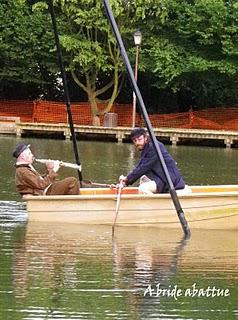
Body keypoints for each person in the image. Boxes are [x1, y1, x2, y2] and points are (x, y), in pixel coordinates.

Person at [118, 128, 186, 194]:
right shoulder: (147, 147)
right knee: (143, 179)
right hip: (162, 178)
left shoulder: (153, 147)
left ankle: (154, 203)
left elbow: (143, 168)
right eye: (135, 140)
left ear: (145, 137)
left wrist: (127, 180)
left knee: (143, 188)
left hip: (170, 181)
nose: (137, 143)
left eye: (139, 139)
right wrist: (126, 180)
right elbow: (140, 165)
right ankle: (146, 200)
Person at [13, 143, 80, 197]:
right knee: (72, 181)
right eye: (29, 153)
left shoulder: (25, 168)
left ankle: (66, 206)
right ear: (22, 156)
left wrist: (49, 170)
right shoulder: (23, 171)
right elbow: (41, 184)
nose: (32, 155)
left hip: (45, 190)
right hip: (44, 192)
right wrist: (54, 170)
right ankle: (73, 206)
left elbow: (40, 181)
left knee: (72, 184)